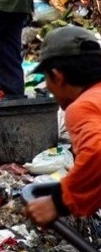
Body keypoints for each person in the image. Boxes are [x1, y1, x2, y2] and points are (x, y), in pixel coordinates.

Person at [24, 25, 101, 227]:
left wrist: (58, 202)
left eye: (47, 79)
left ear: (57, 76)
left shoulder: (83, 106)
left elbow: (97, 154)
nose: (48, 87)